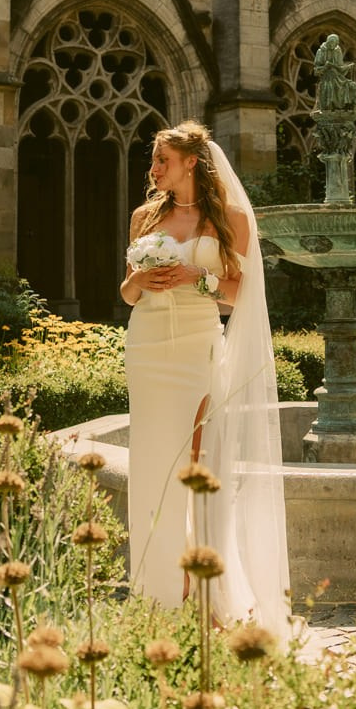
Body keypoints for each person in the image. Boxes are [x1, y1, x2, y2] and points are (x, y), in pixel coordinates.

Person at [120, 120, 290, 636]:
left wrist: (201, 279)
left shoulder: (231, 219)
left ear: (191, 161)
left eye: (161, 161)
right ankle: (158, 592)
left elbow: (240, 297)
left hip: (196, 349)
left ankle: (205, 590)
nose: (153, 170)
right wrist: (140, 279)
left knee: (195, 466)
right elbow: (126, 294)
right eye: (153, 161)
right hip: (146, 347)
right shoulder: (145, 216)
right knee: (151, 463)